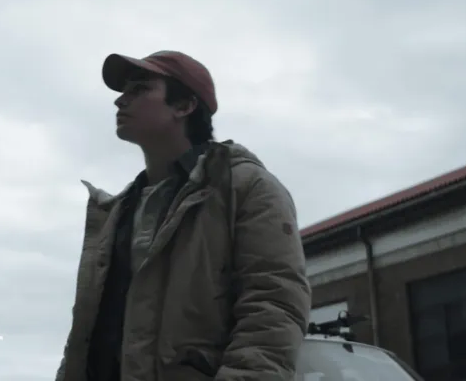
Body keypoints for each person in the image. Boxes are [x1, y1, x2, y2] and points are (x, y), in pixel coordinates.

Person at [55, 50, 312, 381]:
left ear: (184, 105)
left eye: (139, 89)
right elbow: (85, 336)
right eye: (123, 91)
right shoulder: (116, 212)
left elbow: (272, 308)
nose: (120, 101)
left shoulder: (246, 188)